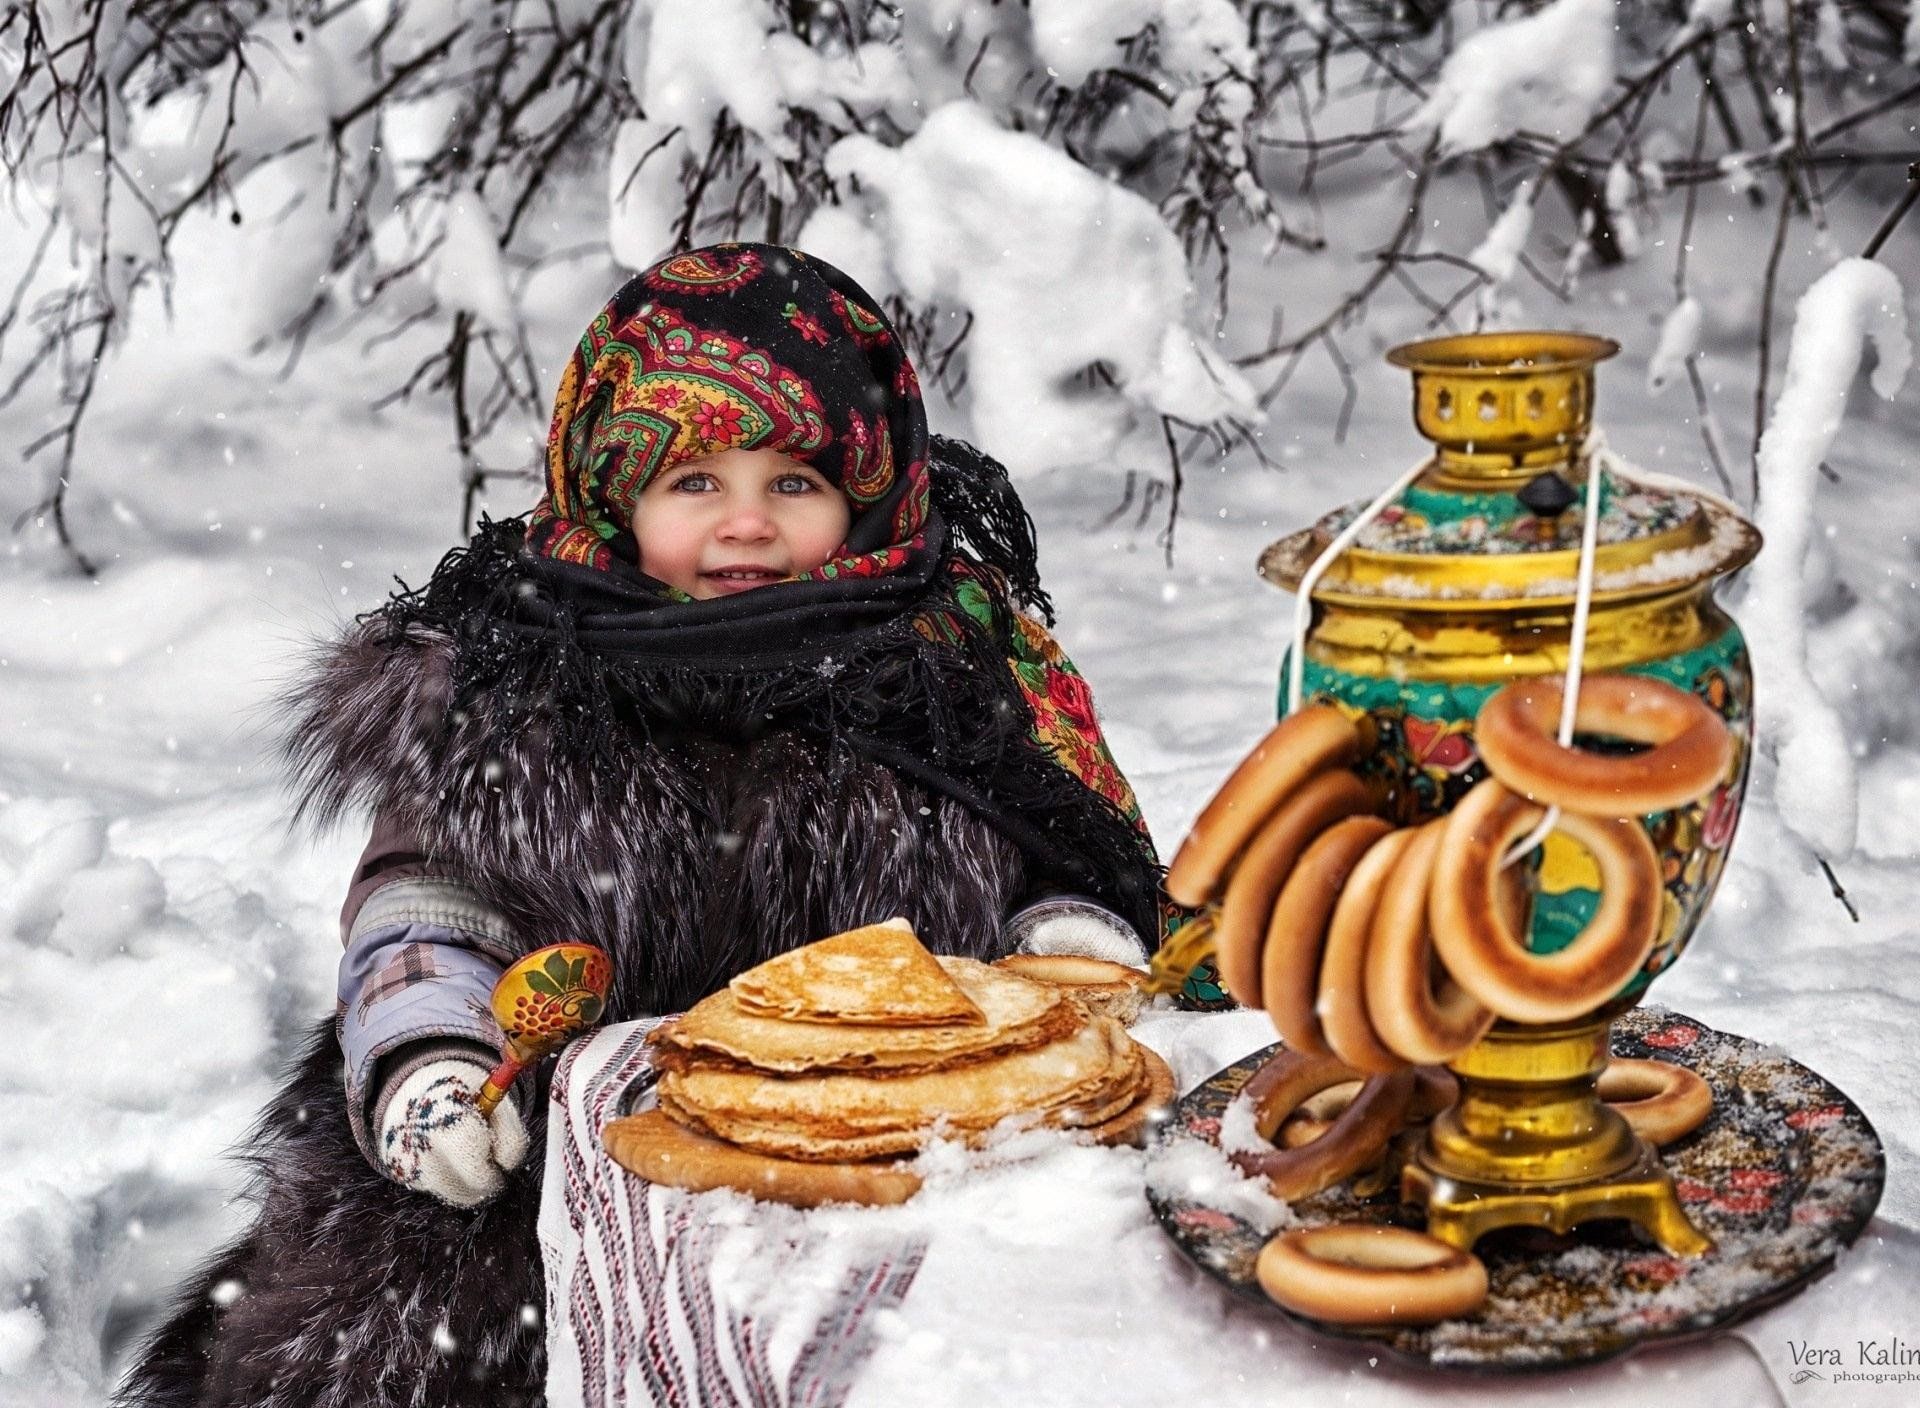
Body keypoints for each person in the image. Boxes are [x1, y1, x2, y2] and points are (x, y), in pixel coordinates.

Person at [116, 242, 1168, 1407]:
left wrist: (1067, 938)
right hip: (539, 1181)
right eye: (696, 483)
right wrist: (432, 1055)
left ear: (867, 494)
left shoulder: (946, 667)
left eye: (796, 484)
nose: (747, 525)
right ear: (615, 494)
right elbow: (430, 903)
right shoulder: (513, 682)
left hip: (883, 1165)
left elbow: (1051, 855)